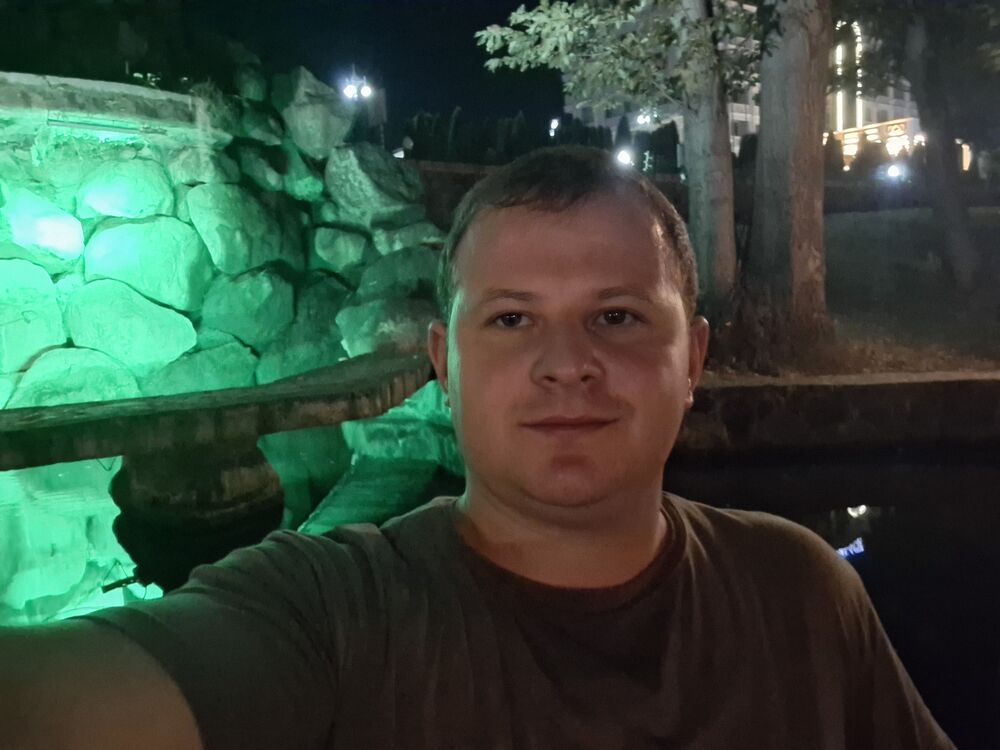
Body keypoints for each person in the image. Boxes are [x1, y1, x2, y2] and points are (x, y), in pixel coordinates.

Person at [0, 146, 954, 749]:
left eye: (617, 316)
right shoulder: (332, 616)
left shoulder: (801, 593)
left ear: (693, 358)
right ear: (443, 365)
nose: (566, 364)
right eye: (510, 319)